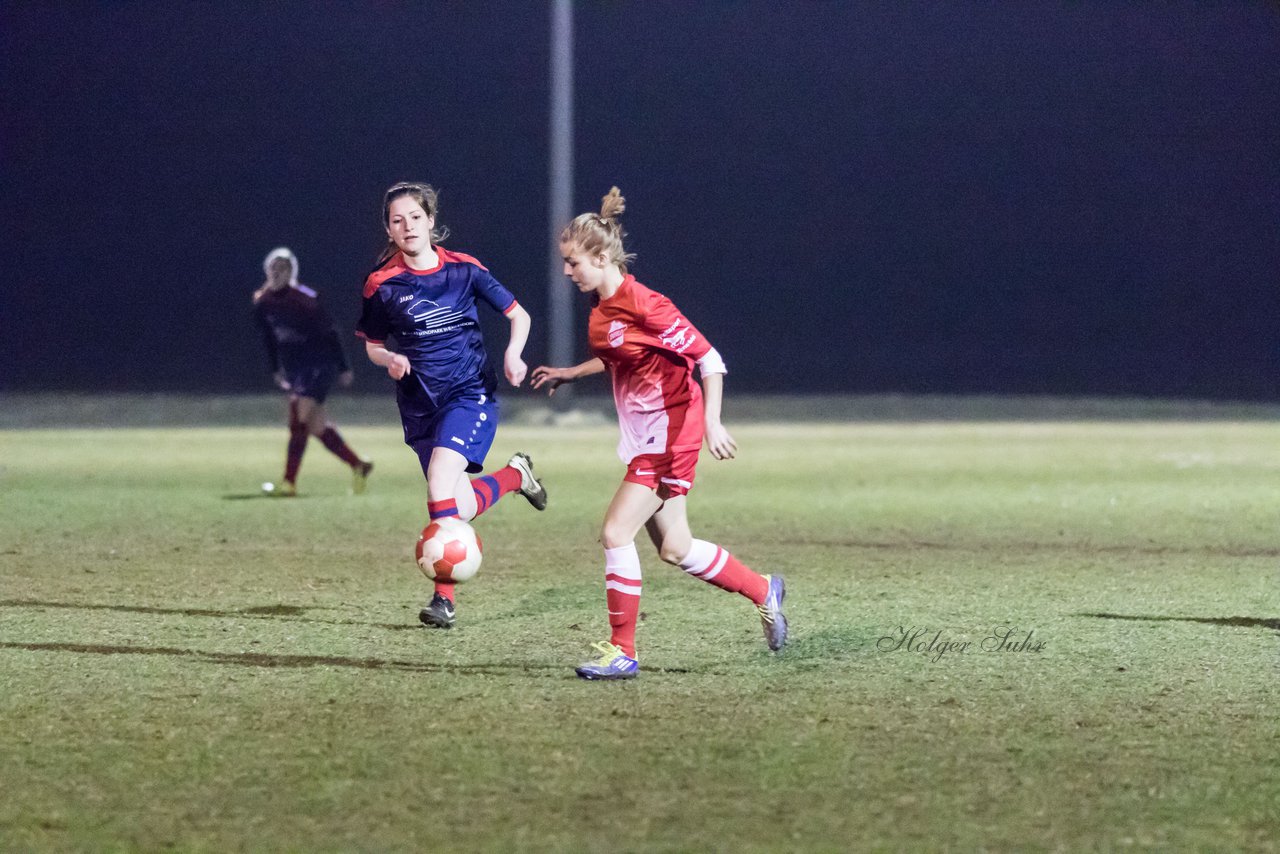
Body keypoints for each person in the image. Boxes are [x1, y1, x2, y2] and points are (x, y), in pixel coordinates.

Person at [531, 187, 787, 680]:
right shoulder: (602, 309)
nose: (566, 272)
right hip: (647, 434)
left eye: (572, 262)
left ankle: (622, 651)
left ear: (601, 258)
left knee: (614, 531)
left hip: (673, 434)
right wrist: (570, 373)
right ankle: (763, 591)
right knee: (675, 547)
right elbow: (617, 354)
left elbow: (708, 359)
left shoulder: (646, 304)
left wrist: (712, 422)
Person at [357, 182, 547, 629]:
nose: (407, 227)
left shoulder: (464, 270)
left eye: (415, 218)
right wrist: (388, 359)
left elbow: (519, 315)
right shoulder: (382, 284)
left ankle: (443, 599)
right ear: (388, 227)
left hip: (469, 394)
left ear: (430, 221)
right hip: (419, 406)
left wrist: (513, 353)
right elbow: (371, 344)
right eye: (397, 220)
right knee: (455, 505)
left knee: (441, 481)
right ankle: (515, 475)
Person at [253, 246, 373, 497]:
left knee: (298, 421)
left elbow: (331, 333)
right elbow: (268, 338)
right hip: (296, 370)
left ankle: (288, 483)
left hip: (319, 365)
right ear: (267, 270)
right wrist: (276, 369)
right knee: (316, 426)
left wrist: (344, 367)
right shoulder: (263, 301)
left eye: (283, 268)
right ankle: (358, 466)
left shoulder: (305, 299)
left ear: (291, 272)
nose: (277, 272)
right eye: (273, 267)